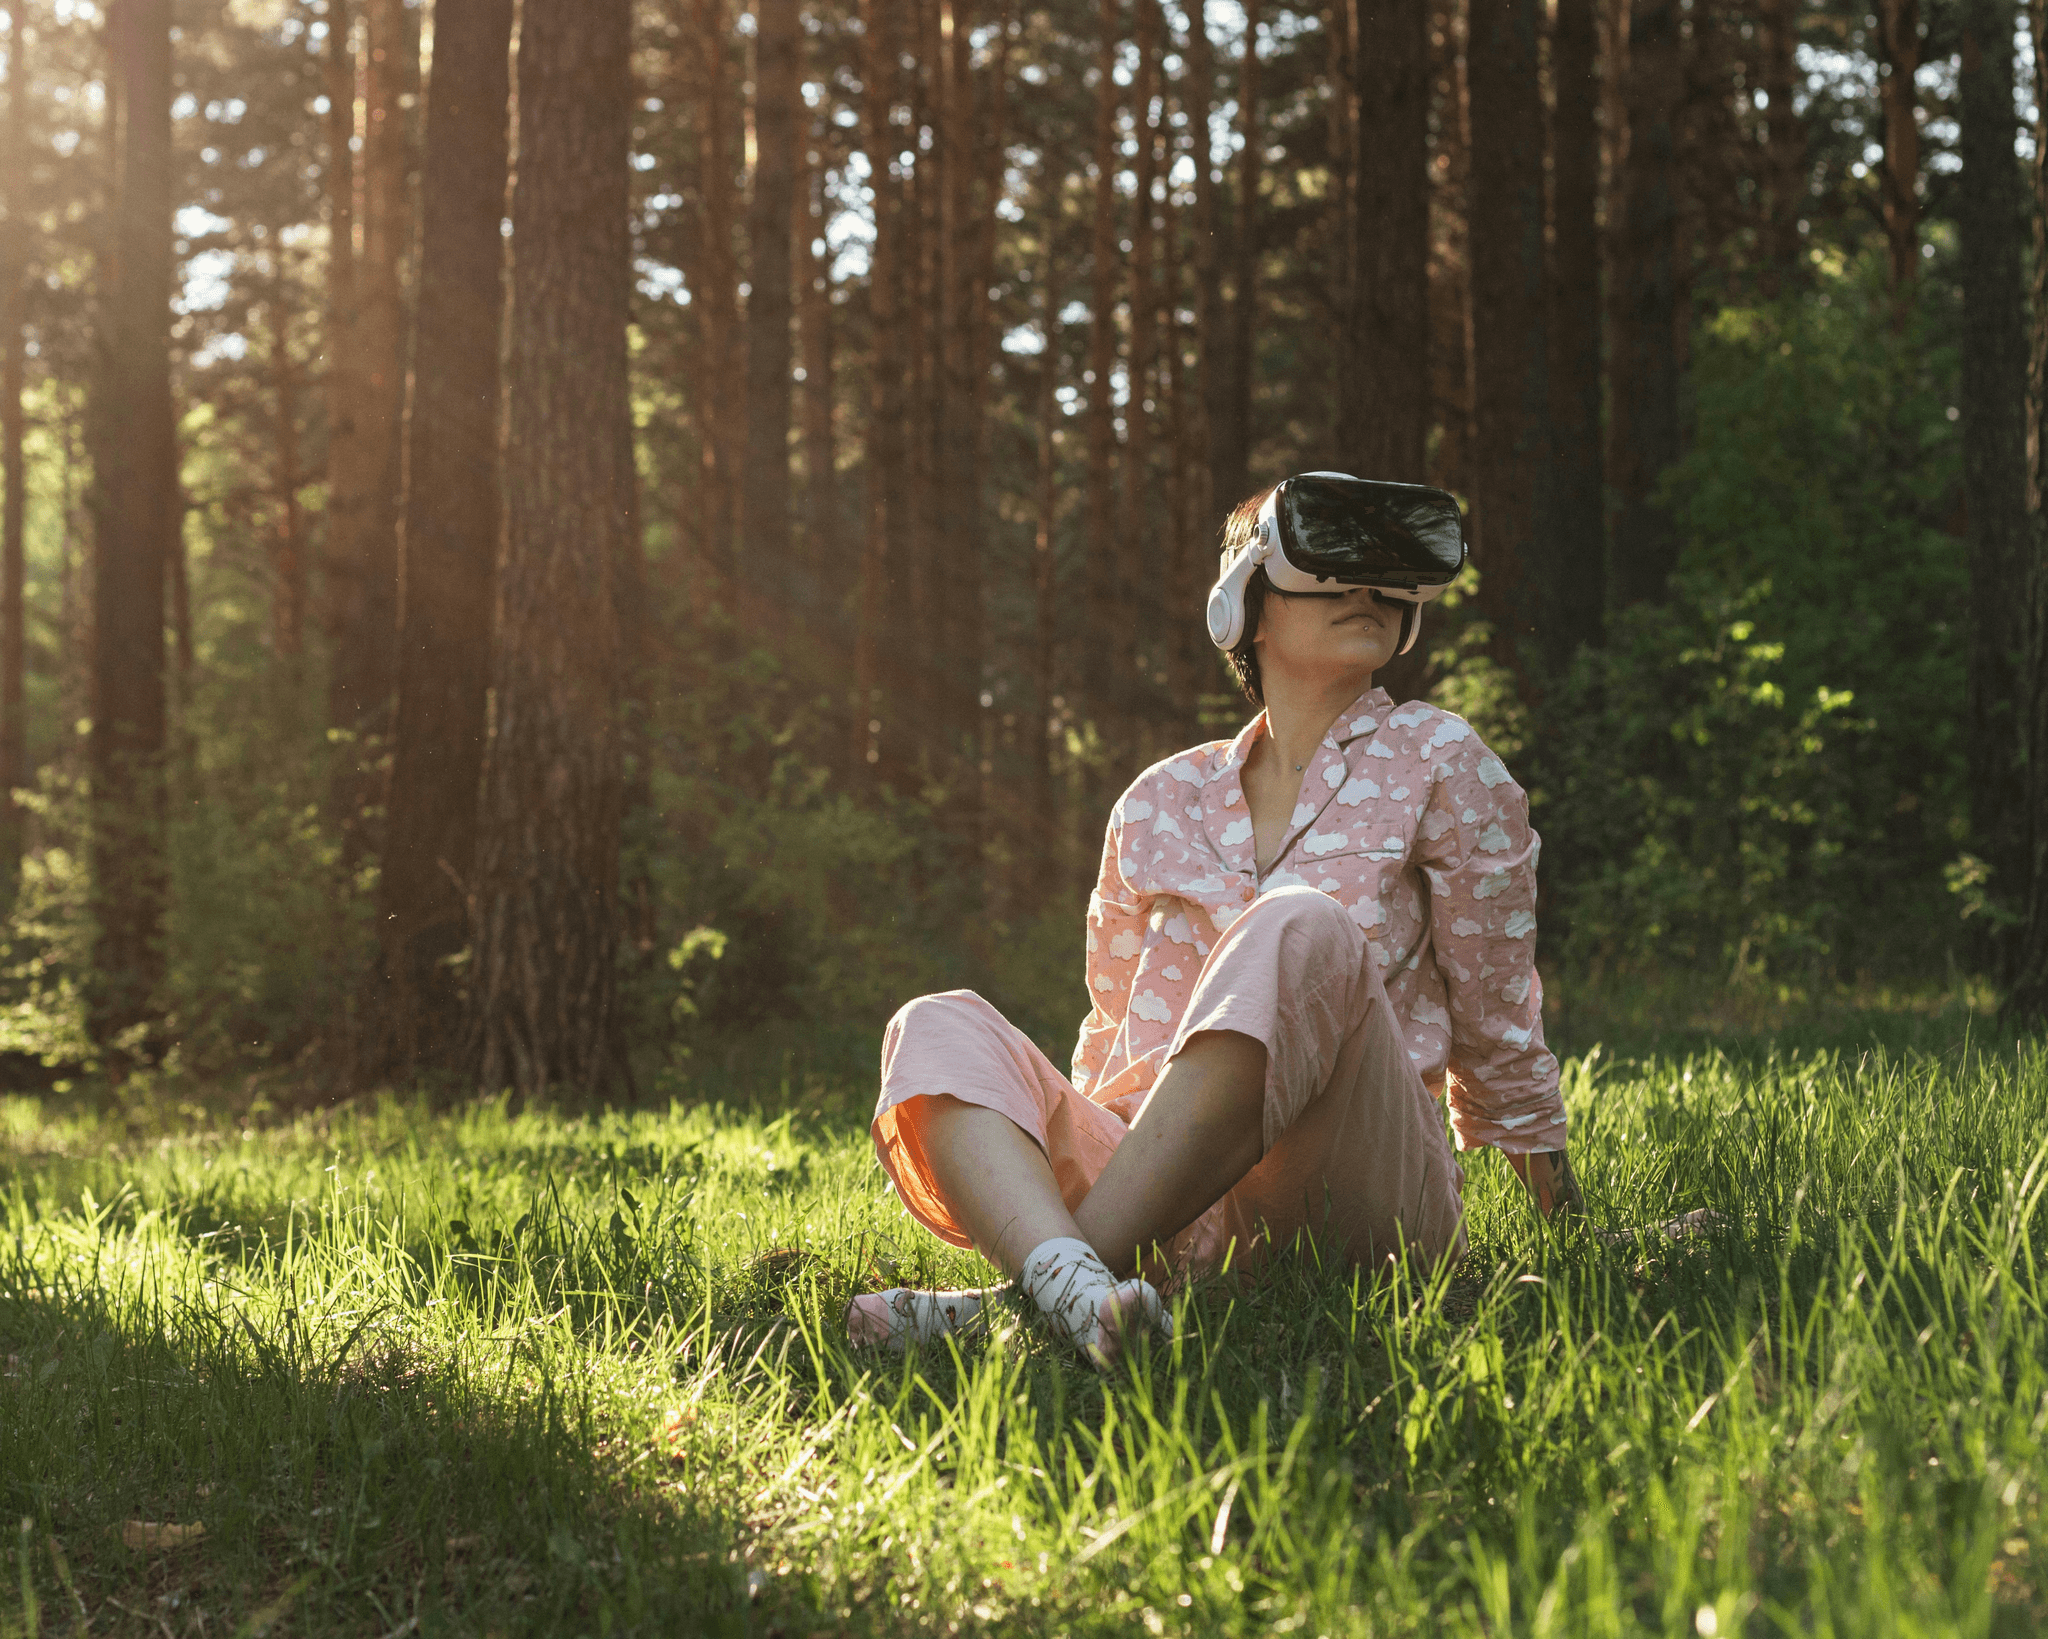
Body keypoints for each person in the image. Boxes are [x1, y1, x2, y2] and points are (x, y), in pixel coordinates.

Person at [849, 475, 1583, 1367]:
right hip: (1169, 1215)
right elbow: (1110, 1038)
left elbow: (1500, 1024)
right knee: (933, 1025)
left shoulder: (1442, 760)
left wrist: (1574, 1238)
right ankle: (1081, 1293)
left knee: (1296, 925)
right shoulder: (1158, 802)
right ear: (1246, 606)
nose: (1369, 590)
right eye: (1335, 568)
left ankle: (1023, 1303)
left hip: (1357, 1206)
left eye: (1387, 576)